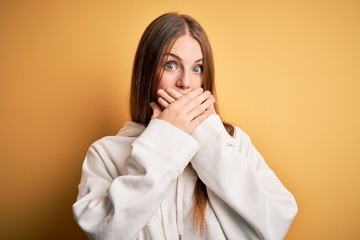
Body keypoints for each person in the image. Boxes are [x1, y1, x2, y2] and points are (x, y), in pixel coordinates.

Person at [72, 12, 297, 240]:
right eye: (171, 65)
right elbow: (106, 233)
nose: (186, 83)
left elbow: (276, 223)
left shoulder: (234, 142)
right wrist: (165, 138)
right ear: (147, 72)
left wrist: (208, 140)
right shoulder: (105, 153)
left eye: (197, 69)